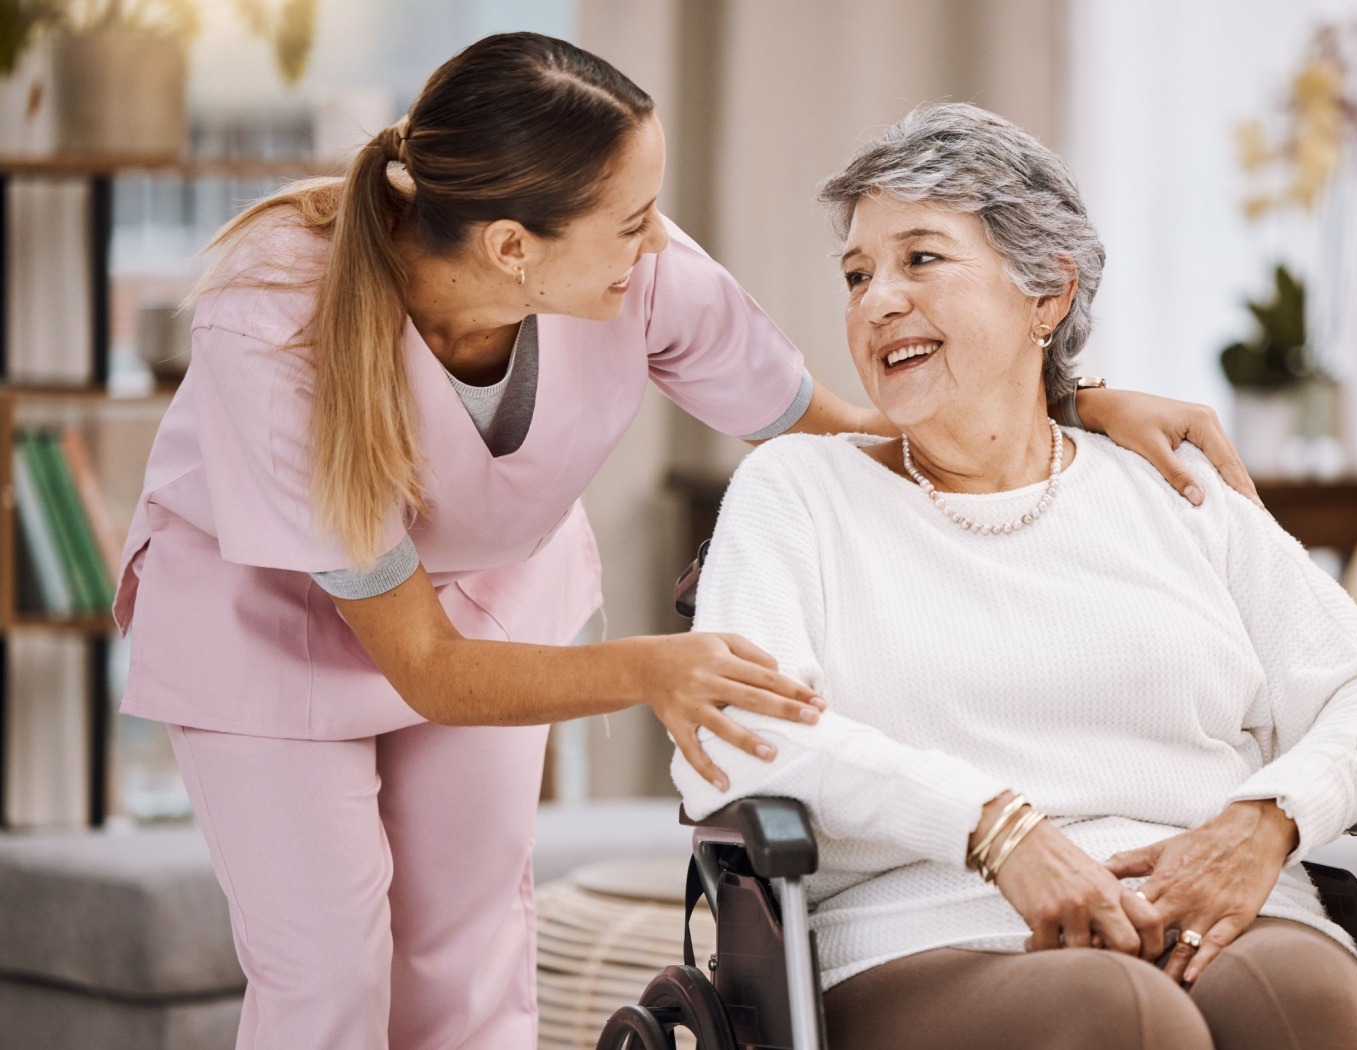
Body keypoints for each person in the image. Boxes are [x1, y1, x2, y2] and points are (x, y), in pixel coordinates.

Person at [116, 34, 1259, 1049]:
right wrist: (656, 671)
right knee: (329, 971)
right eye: (628, 218)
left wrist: (1076, 406)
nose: (654, 237)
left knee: (465, 961)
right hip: (278, 643)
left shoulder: (642, 273)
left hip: (493, 605)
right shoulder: (273, 323)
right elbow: (422, 665)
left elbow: (855, 420)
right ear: (513, 245)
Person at [672, 102, 1357, 1050]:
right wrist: (992, 828)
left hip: (1214, 906)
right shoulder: (797, 489)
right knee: (1125, 1019)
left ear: (1046, 294)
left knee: (1310, 1013)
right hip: (927, 927)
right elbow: (740, 733)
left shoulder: (1171, 487)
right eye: (856, 275)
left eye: (920, 259)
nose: (876, 300)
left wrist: (1268, 822)